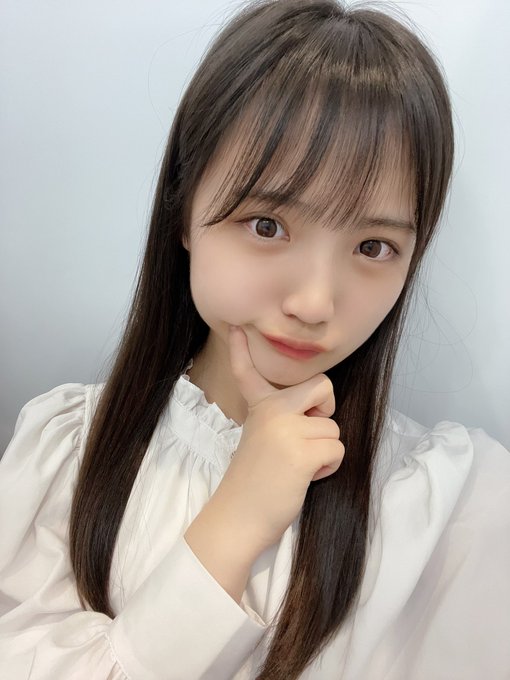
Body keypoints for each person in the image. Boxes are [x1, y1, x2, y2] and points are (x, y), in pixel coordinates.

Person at [1, 0, 509, 678]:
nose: (314, 303)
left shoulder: (457, 503)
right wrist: (238, 517)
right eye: (268, 225)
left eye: (373, 246)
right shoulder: (66, 451)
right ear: (184, 212)